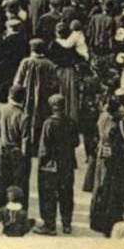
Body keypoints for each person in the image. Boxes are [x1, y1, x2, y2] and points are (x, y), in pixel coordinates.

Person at [35, 93, 79, 236]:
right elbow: (76, 142)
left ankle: (50, 225)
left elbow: (44, 148)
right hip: (67, 165)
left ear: (52, 107)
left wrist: (40, 164)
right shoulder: (71, 122)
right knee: (66, 194)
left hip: (50, 166)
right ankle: (66, 224)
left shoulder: (49, 123)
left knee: (49, 196)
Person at [90, 98, 124, 238]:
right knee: (109, 191)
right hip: (110, 162)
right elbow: (116, 146)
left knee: (100, 188)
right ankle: (107, 224)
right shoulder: (114, 126)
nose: (123, 111)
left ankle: (97, 220)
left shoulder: (104, 118)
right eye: (120, 108)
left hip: (102, 159)